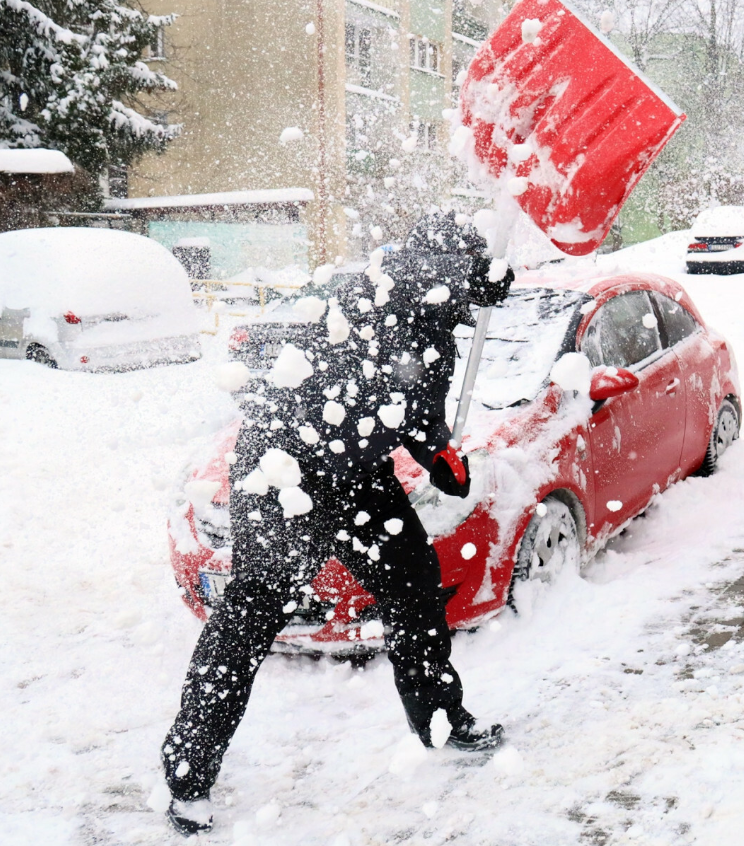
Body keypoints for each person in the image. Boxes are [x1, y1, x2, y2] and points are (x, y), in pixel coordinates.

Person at [160, 212, 514, 836]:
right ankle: (188, 777)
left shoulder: (374, 283)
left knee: (410, 583)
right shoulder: (419, 320)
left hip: (351, 468)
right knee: (251, 613)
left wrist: (428, 445)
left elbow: (384, 402)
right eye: (473, 287)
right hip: (285, 474)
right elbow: (420, 424)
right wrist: (444, 462)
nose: (474, 302)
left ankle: (438, 718)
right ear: (451, 277)